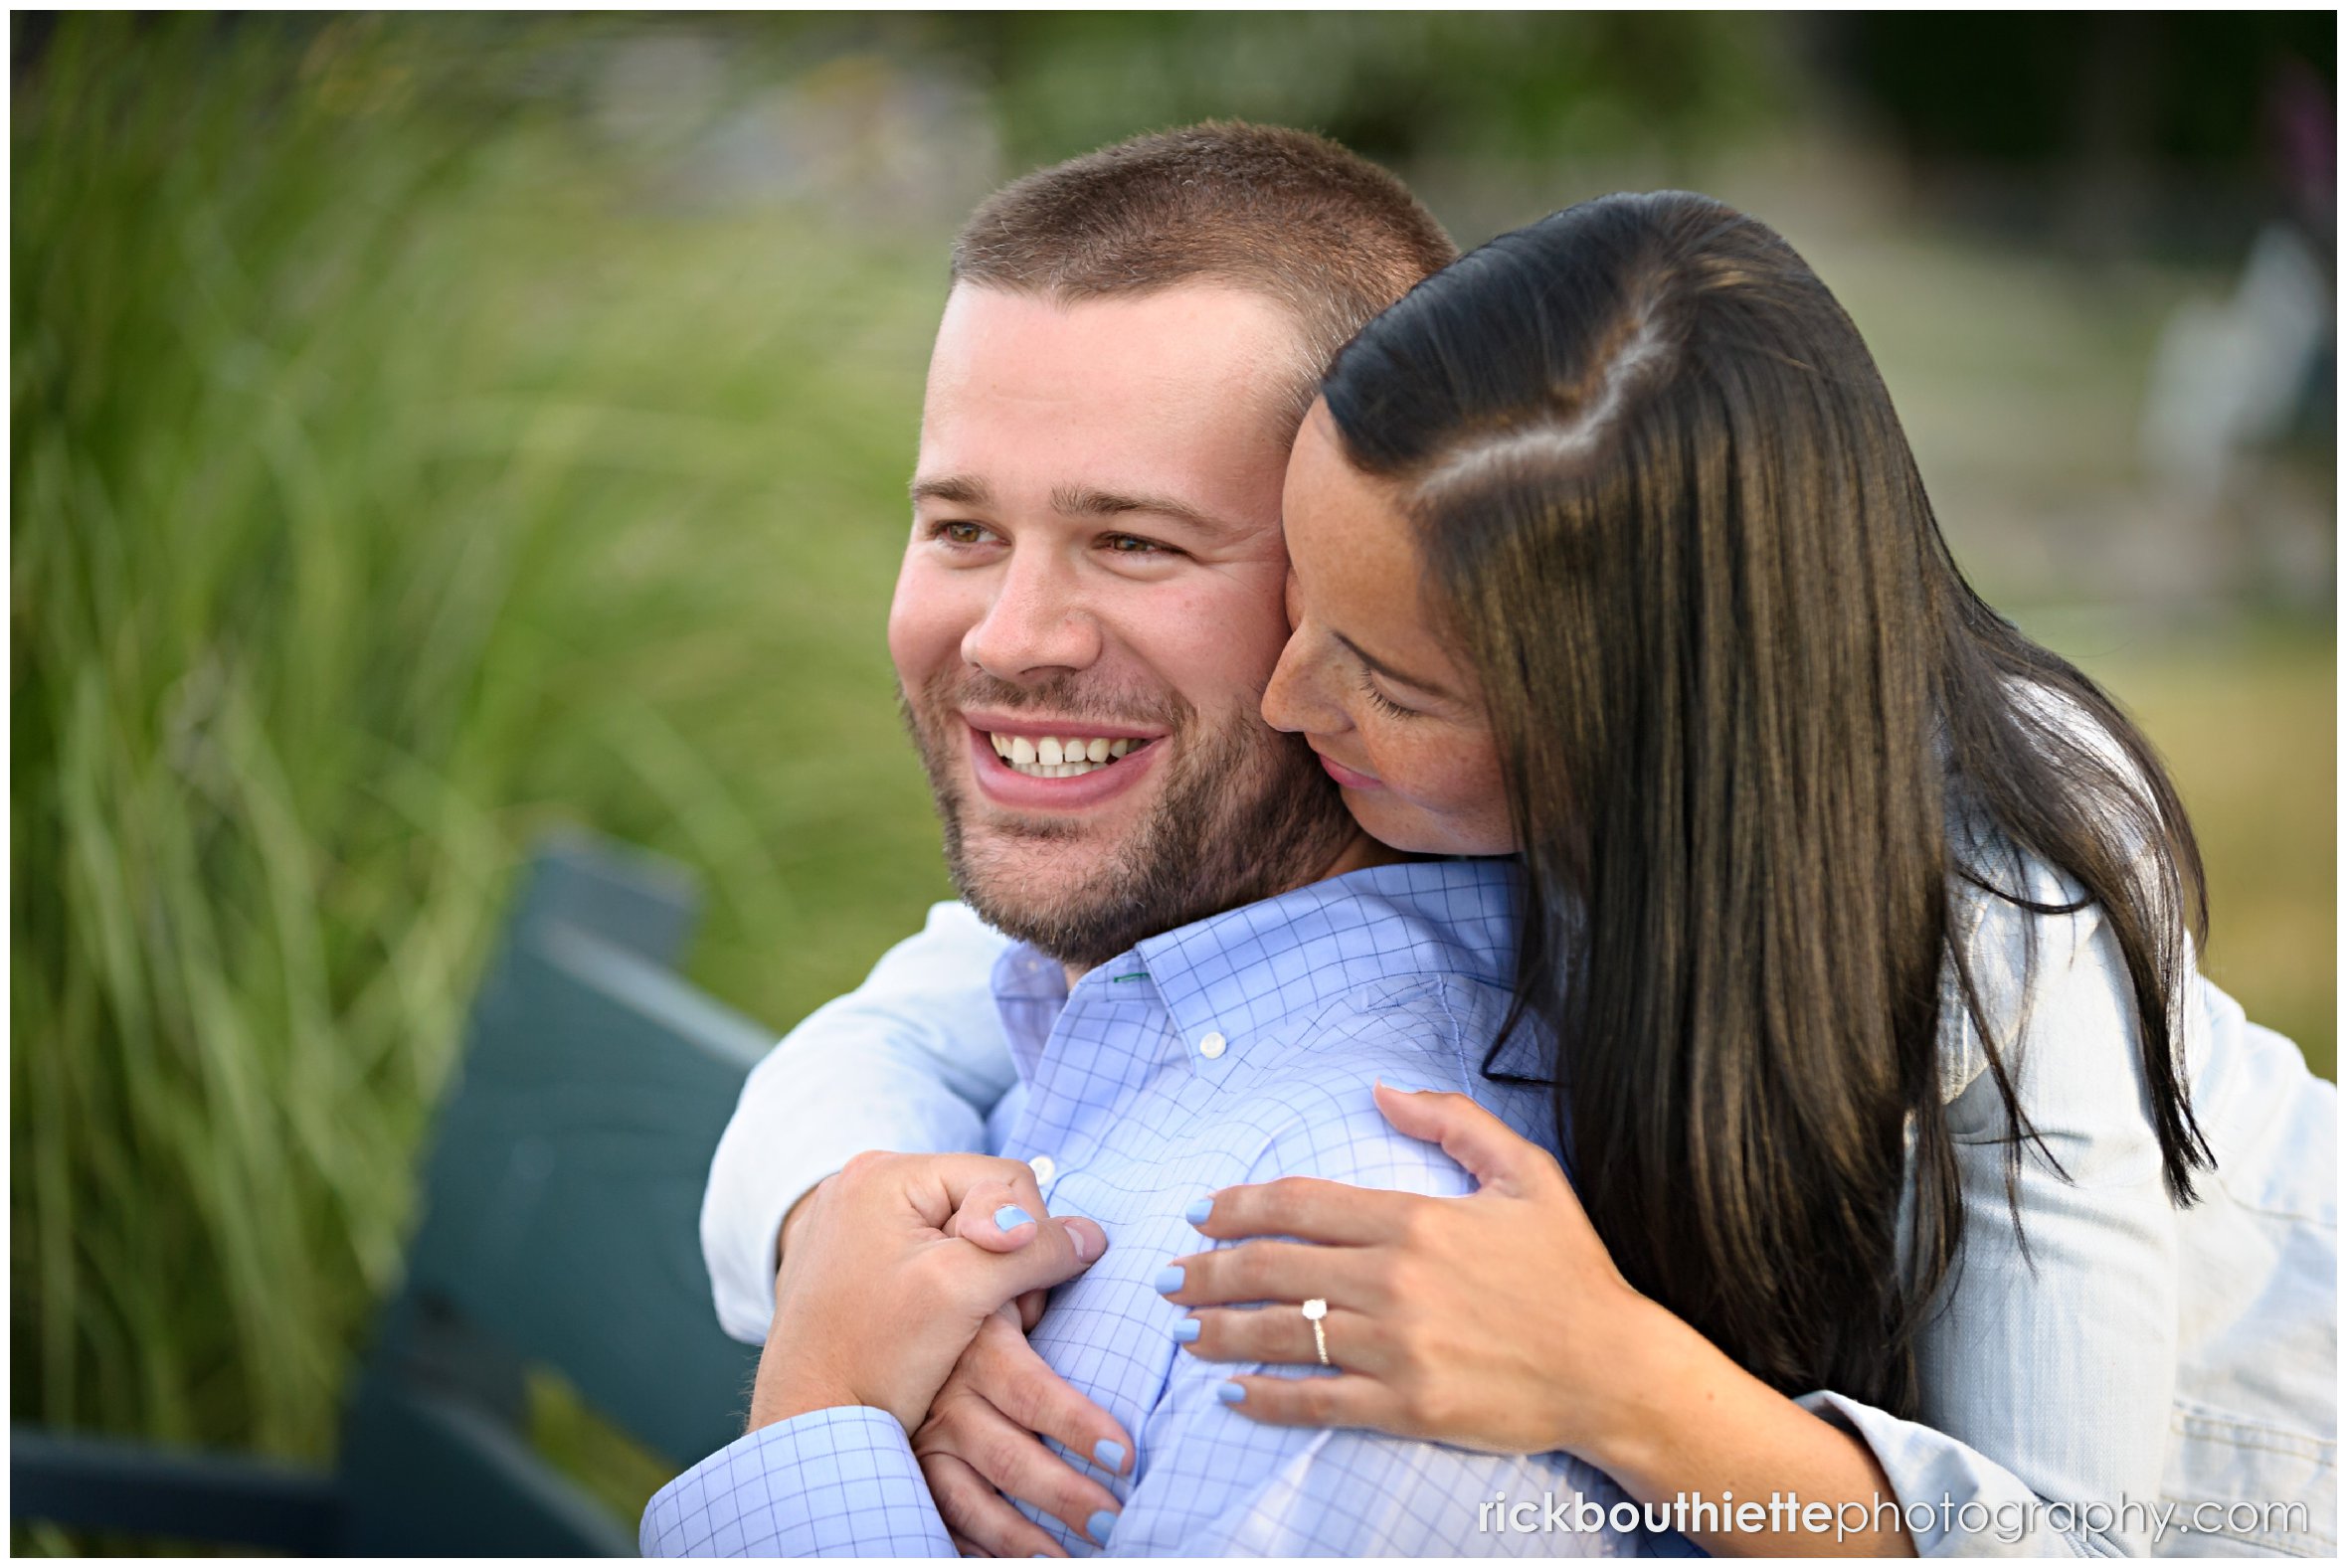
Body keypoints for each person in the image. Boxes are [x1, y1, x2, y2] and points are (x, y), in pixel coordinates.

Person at [701, 185, 2338, 1557]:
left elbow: (2076, 1539)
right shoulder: (1492, 777)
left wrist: (1608, 1373)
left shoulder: (2004, 892)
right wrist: (849, 1256)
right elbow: (911, 1015)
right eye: (1303, 615)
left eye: (1387, 681)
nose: (1286, 700)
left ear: (1628, 719)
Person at [645, 122, 1697, 1558]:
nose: (1009, 641)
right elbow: (906, 1013)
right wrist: (831, 1219)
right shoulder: (1104, 995)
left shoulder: (1366, 1283)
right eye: (960, 527)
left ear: (1381, 576)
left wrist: (823, 1411)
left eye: (1134, 542)